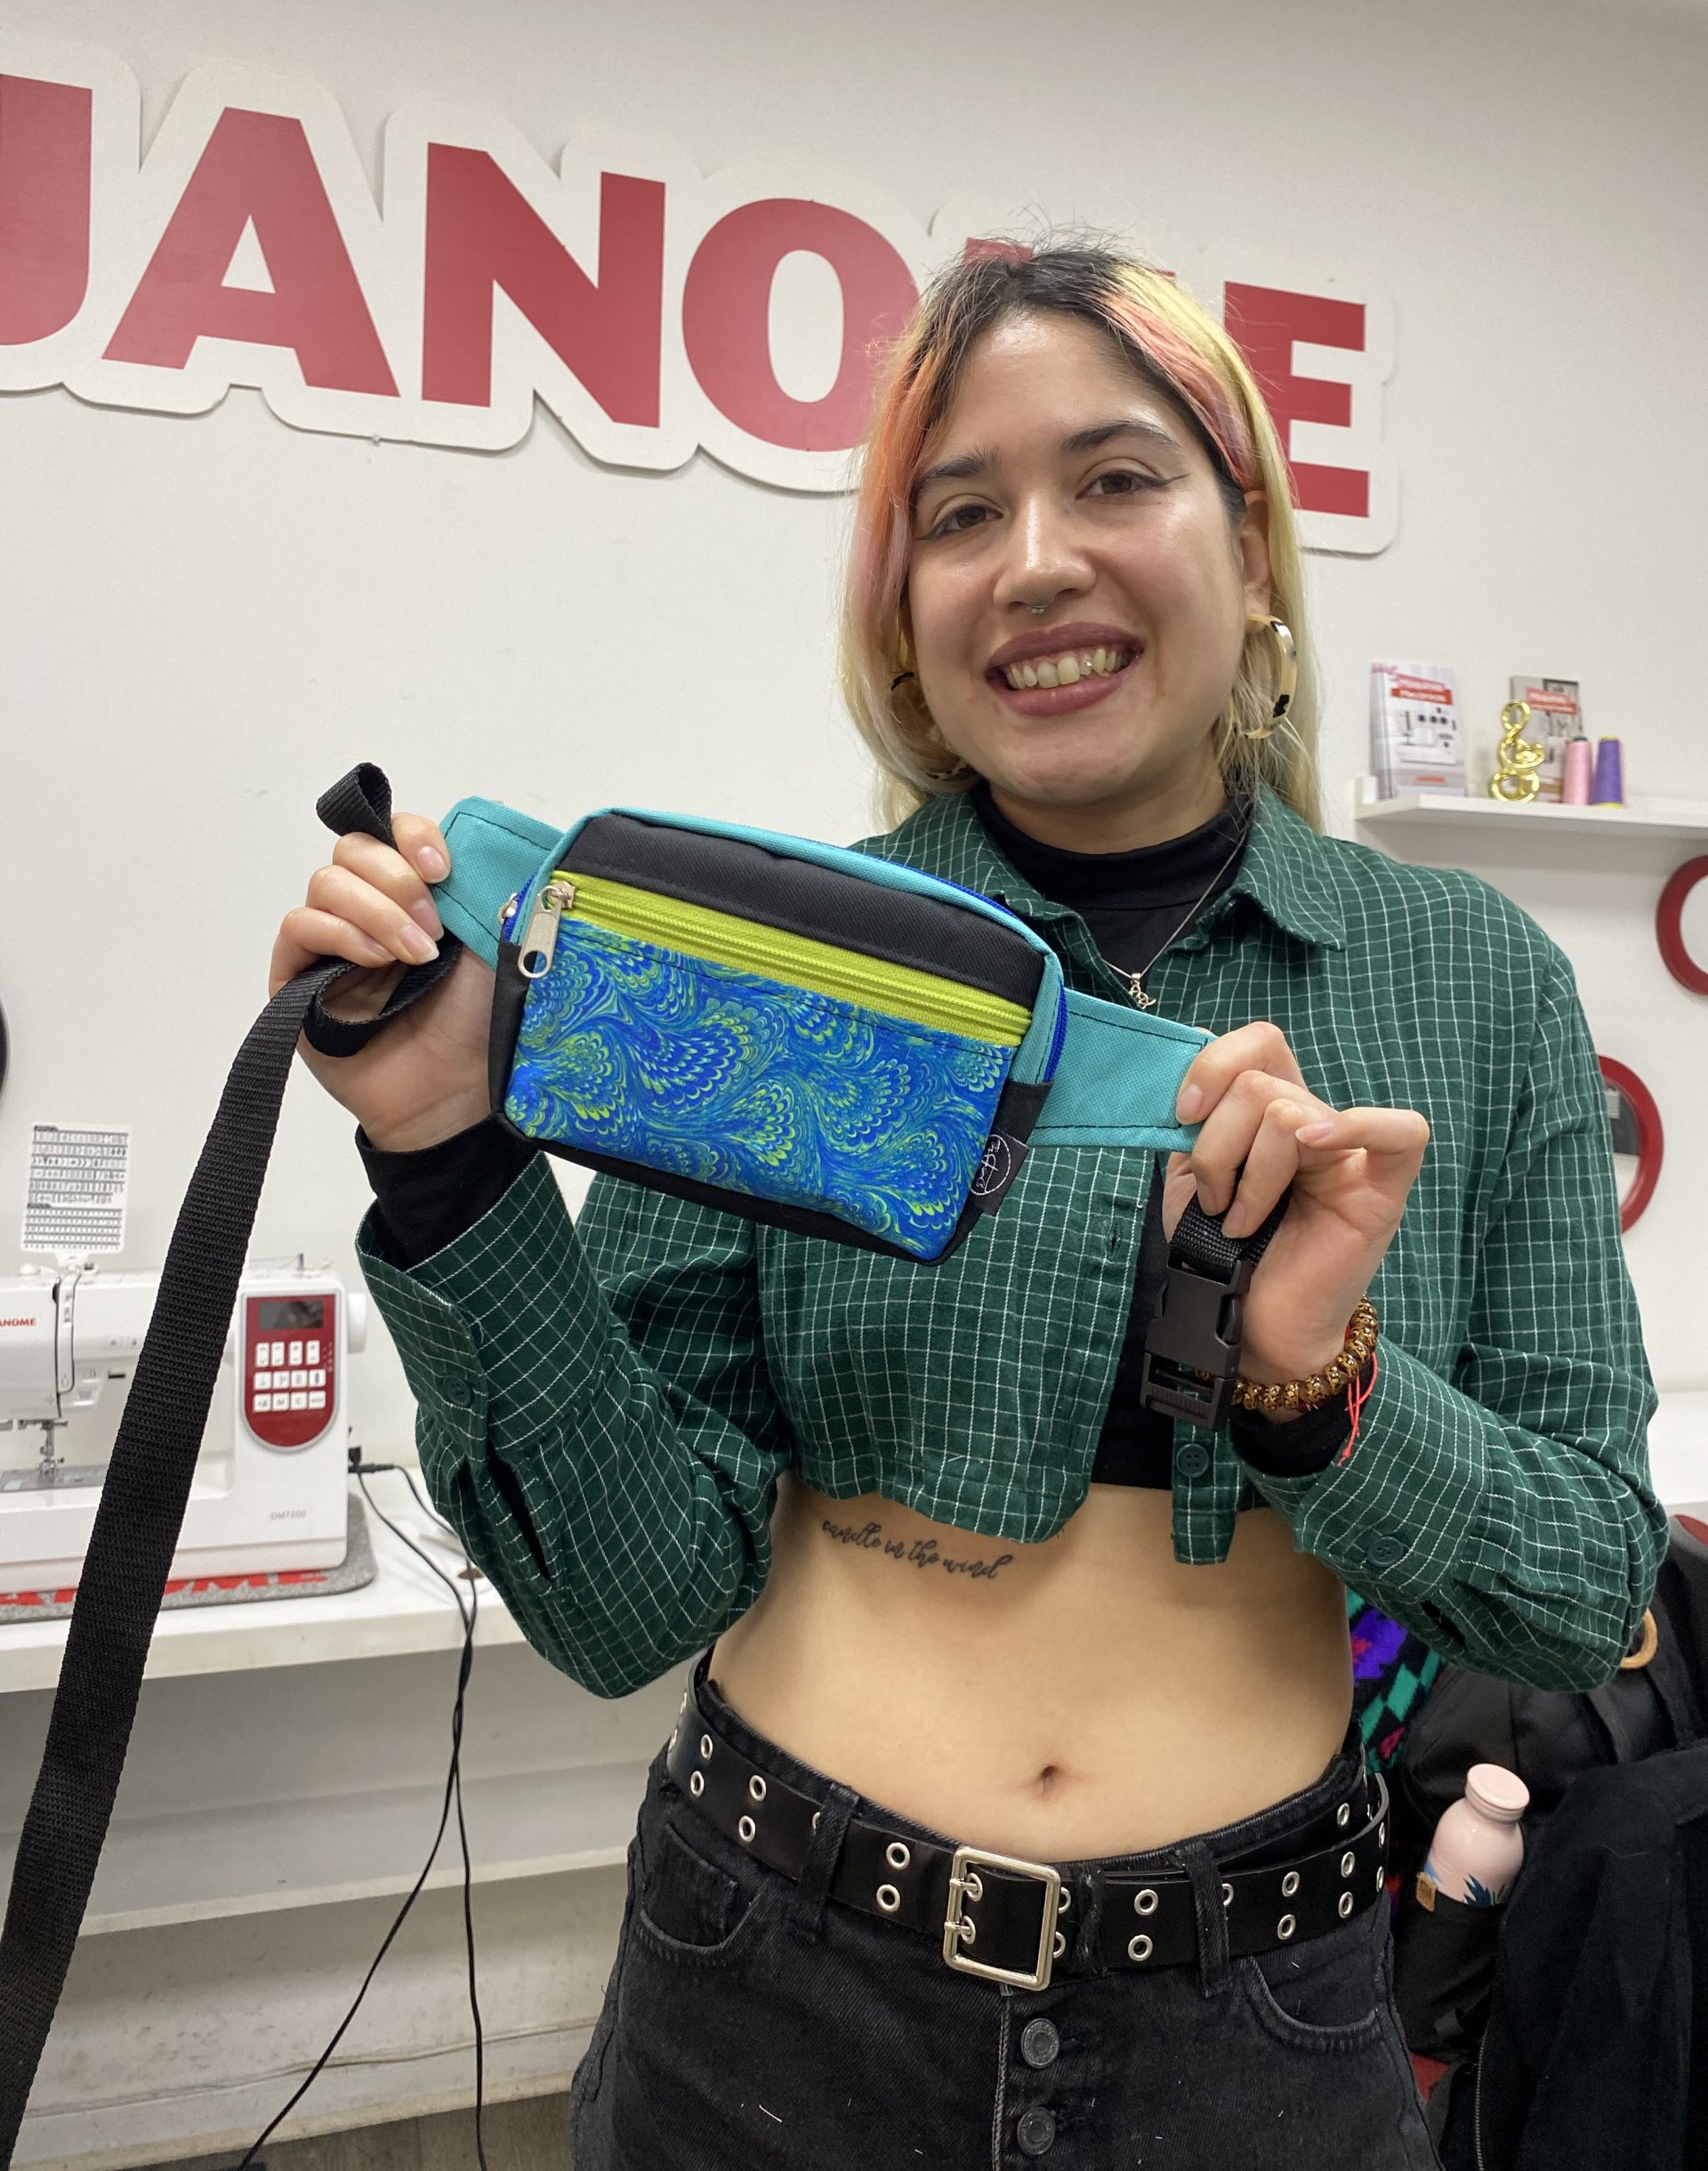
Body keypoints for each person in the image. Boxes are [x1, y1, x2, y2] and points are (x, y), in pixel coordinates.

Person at [270, 246, 1664, 2168]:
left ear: (1253, 550)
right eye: (958, 515)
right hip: (773, 1990)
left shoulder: (1473, 981)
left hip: (1257, 2035)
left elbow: (1583, 1588)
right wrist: (444, 1150)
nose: (1034, 562)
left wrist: (1314, 1387)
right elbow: (620, 1601)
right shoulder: (766, 971)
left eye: (1115, 478)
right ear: (902, 612)